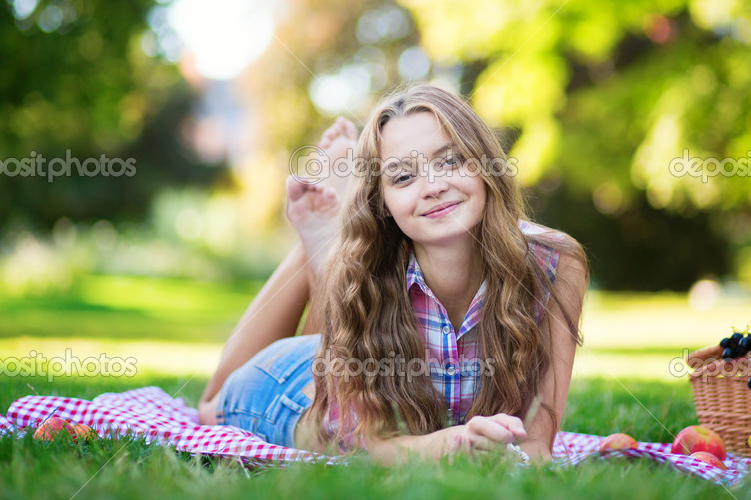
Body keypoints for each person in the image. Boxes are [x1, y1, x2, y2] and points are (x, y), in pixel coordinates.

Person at [197, 82, 588, 466]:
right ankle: (314, 249)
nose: (433, 187)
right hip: (292, 394)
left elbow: (537, 446)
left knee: (335, 312)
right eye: (402, 177)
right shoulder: (367, 270)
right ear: (381, 204)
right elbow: (373, 447)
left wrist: (508, 454)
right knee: (208, 408)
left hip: (333, 360)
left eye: (450, 160)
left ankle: (325, 254)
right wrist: (454, 444)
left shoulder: (555, 263)